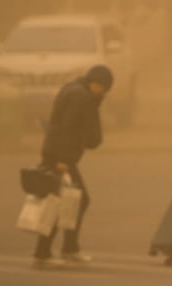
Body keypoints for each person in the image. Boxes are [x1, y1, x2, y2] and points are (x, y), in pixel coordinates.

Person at [32, 65, 113, 269]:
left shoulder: (72, 89)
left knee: (69, 201)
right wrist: (62, 160)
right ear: (97, 84)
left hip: (57, 154)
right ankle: (46, 252)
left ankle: (67, 248)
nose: (103, 94)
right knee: (66, 202)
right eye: (104, 89)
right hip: (61, 158)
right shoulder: (81, 97)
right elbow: (68, 129)